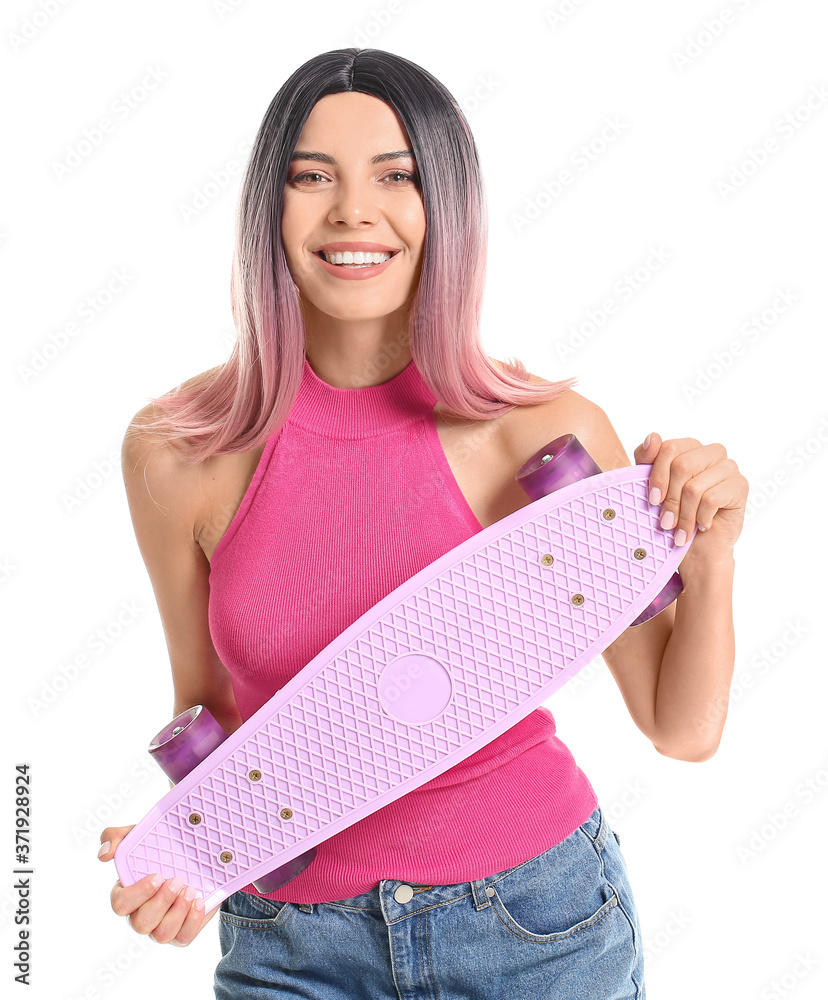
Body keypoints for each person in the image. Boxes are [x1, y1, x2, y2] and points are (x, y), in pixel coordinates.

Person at [97, 47, 748, 998]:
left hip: (535, 923)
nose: (353, 209)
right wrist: (188, 857)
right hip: (290, 943)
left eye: (395, 176)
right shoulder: (176, 451)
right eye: (311, 176)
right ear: (266, 211)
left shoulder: (545, 433)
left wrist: (715, 558)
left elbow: (679, 727)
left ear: (446, 203)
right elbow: (215, 715)